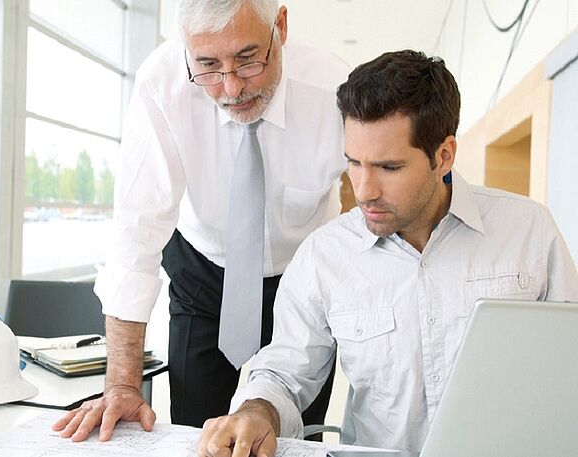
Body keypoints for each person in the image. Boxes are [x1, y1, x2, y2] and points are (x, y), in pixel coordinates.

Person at [197, 50, 578, 456]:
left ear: (444, 156)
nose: (364, 191)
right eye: (354, 163)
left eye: (389, 168)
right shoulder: (324, 256)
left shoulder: (528, 231)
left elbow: (568, 365)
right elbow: (284, 373)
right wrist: (257, 411)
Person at [52, 0, 349, 442]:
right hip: (202, 270)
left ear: (281, 27)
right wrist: (122, 386)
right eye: (208, 65)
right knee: (197, 432)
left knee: (292, 437)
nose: (231, 87)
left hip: (302, 279)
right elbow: (135, 238)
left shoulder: (334, 91)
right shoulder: (162, 84)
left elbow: (376, 198)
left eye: (248, 59)